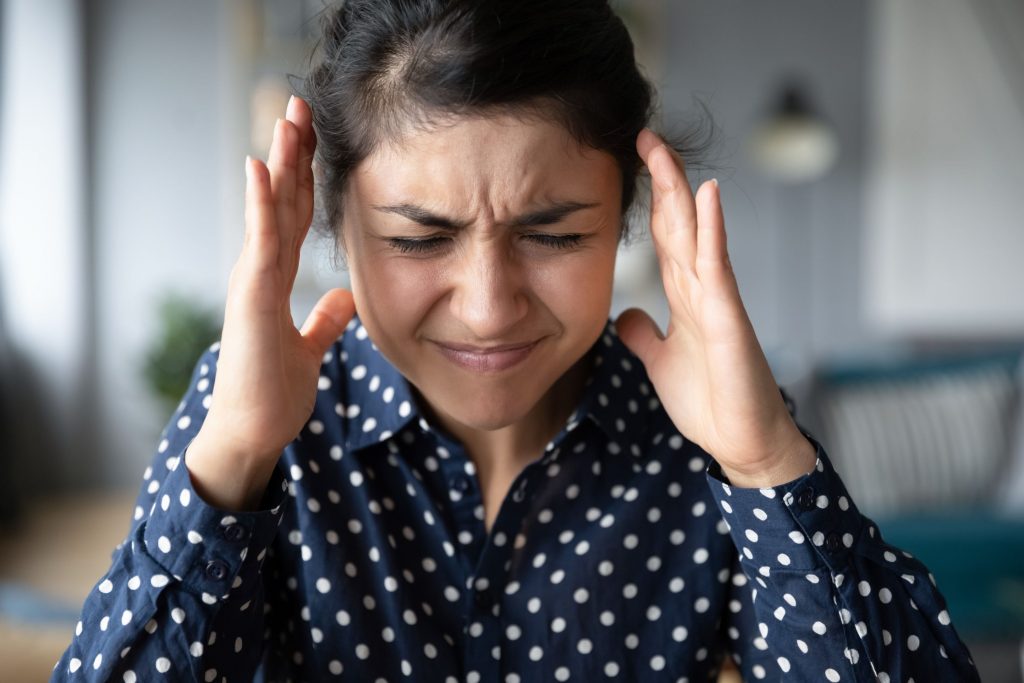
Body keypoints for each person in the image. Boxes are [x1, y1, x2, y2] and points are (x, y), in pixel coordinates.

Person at [54, 1, 980, 681]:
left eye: (554, 234)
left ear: (626, 217)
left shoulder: (707, 437)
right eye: (420, 239)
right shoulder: (250, 419)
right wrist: (235, 459)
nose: (490, 308)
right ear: (330, 227)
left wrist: (766, 459)